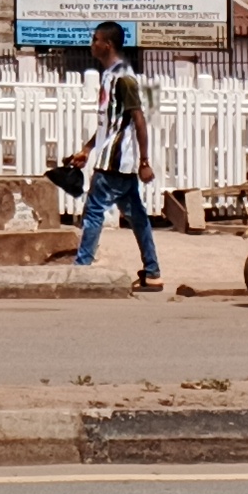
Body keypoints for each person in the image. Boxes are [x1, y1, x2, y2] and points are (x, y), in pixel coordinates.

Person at [66, 19, 164, 291]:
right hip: (115, 160)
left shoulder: (124, 79)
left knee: (94, 211)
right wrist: (87, 149)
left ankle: (82, 269)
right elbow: (109, 122)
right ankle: (153, 272)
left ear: (107, 44)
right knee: (137, 216)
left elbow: (139, 120)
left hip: (115, 161)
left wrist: (144, 162)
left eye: (96, 39)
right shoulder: (109, 76)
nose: (92, 44)